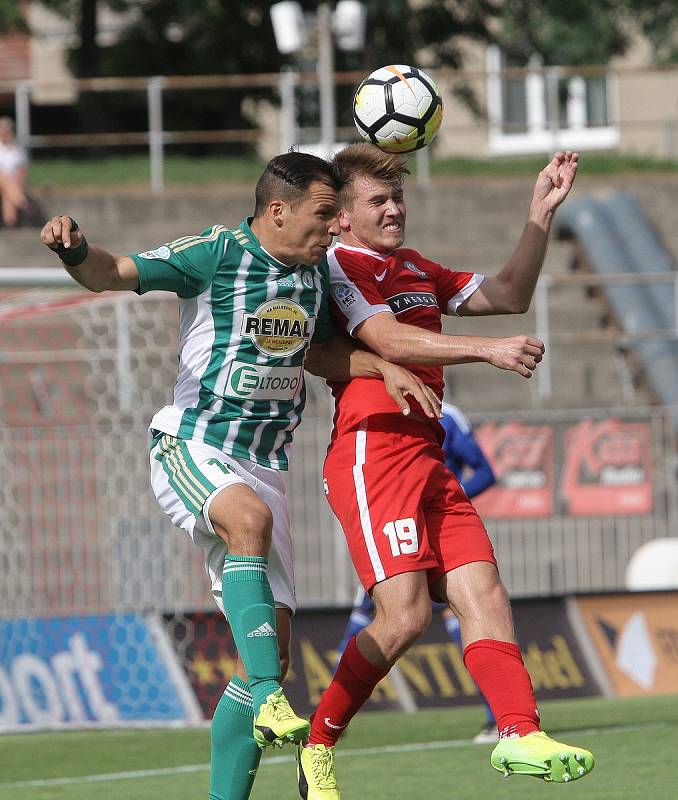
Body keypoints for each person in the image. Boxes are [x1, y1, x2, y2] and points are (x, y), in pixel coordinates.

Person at [40, 150, 524, 800]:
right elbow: (114, 271)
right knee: (249, 525)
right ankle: (271, 697)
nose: (334, 228)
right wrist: (75, 251)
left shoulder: (317, 276)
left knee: (274, 644)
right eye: (325, 215)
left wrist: (384, 368)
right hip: (193, 442)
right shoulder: (216, 253)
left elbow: (322, 351)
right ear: (278, 210)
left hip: (265, 465)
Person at [297, 144, 594, 800]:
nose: (395, 208)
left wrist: (539, 214)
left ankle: (519, 732)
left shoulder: (414, 267)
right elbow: (389, 341)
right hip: (373, 456)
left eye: (398, 197)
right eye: (378, 200)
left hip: (426, 458)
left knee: (484, 592)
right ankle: (318, 744)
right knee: (403, 618)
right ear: (342, 217)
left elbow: (510, 293)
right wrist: (486, 350)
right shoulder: (343, 264)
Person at [334, 402, 498, 742]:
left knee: (466, 620)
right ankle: (332, 720)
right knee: (359, 624)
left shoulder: (446, 415)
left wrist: (444, 504)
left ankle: (497, 720)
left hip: (436, 534)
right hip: (393, 528)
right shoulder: (372, 410)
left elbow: (484, 471)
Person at [0, 116, 29, 228]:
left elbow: (22, 170)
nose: (4, 133)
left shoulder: (17, 149)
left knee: (7, 192)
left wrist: (17, 180)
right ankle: (22, 203)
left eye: (7, 131)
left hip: (12, 183)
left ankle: (10, 223)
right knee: (3, 179)